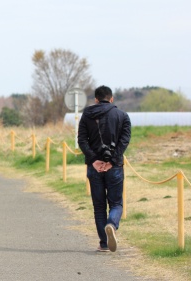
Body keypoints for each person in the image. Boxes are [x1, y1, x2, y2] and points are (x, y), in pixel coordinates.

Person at [78, 85, 131, 252]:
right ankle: (111, 225)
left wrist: (94, 160)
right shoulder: (123, 116)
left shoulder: (86, 115)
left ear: (95, 99)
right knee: (116, 204)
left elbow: (82, 140)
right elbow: (124, 141)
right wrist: (113, 161)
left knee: (99, 206)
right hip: (114, 167)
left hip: (94, 168)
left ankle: (104, 243)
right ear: (112, 99)